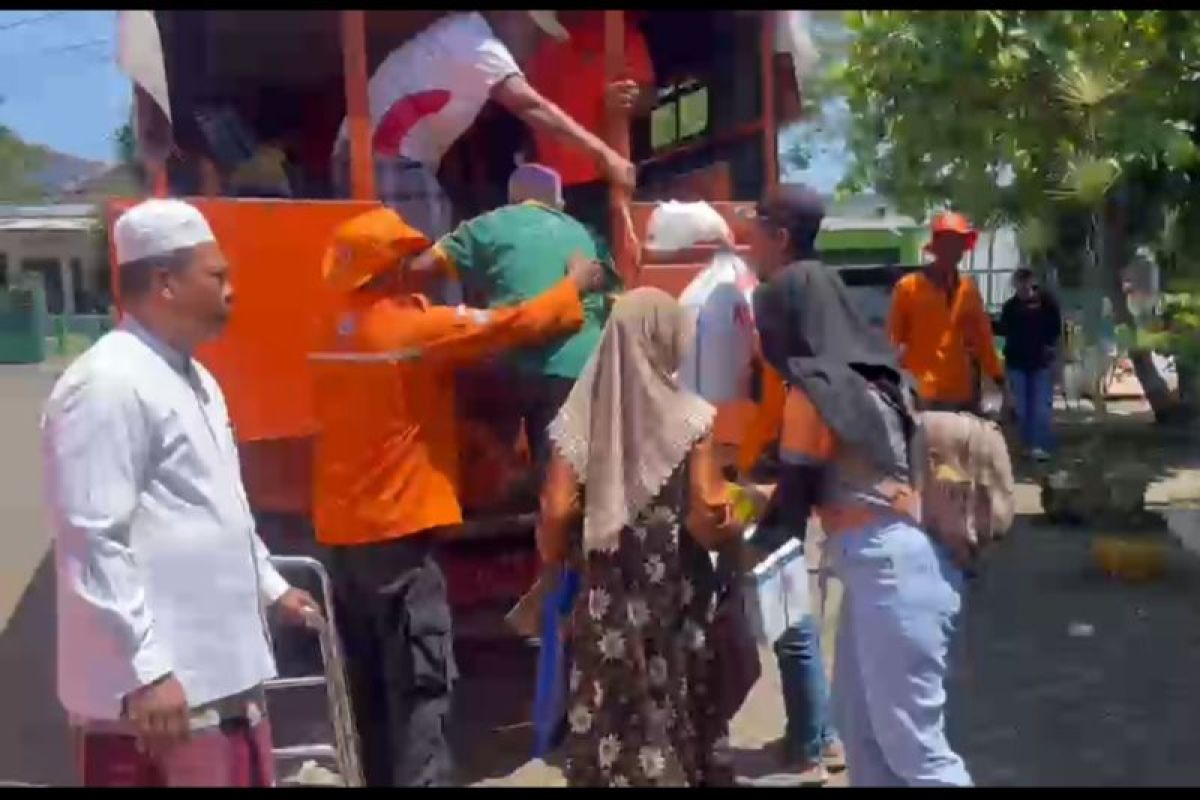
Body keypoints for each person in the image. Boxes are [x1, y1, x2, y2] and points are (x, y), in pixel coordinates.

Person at [307, 206, 606, 787]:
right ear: (389, 271)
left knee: (368, 681)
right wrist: (574, 285)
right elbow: (509, 325)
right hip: (400, 532)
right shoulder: (413, 329)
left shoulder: (329, 326)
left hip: (341, 532)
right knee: (422, 683)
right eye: (407, 260)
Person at [42, 199, 320, 787]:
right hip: (161, 703)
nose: (231, 291)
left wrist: (272, 588)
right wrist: (146, 670)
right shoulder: (106, 384)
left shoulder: (196, 379)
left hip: (220, 680)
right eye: (216, 276)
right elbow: (93, 540)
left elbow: (220, 506)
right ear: (165, 281)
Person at [745, 185, 971, 787]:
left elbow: (788, 511)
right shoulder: (879, 381)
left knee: (917, 754)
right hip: (892, 567)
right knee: (866, 741)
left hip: (890, 573)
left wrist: (725, 515)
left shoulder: (814, 392)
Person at [535, 287, 743, 787]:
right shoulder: (691, 417)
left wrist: (561, 561)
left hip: (607, 592)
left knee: (610, 707)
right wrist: (740, 520)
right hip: (675, 590)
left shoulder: (578, 417)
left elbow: (556, 507)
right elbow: (704, 515)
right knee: (672, 701)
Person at [331, 10, 635, 242]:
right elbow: (531, 107)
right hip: (384, 159)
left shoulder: (462, 35)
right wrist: (605, 156)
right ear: (513, 17)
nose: (537, 46)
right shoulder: (479, 46)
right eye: (535, 33)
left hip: (379, 157)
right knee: (425, 265)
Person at [413, 163, 613, 472]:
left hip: (509, 357)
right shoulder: (584, 233)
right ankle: (549, 501)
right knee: (560, 472)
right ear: (558, 202)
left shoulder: (488, 225)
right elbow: (611, 295)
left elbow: (423, 266)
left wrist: (431, 313)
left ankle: (499, 489)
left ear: (512, 199)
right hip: (574, 363)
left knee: (491, 449)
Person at [736, 354, 845, 787]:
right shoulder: (789, 363)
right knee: (790, 624)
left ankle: (813, 746)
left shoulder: (794, 372)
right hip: (774, 492)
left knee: (791, 627)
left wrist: (761, 485)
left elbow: (794, 447)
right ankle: (815, 734)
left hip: (774, 498)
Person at [525, 10, 656, 244]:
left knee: (600, 265)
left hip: (604, 181)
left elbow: (647, 97)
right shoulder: (536, 42)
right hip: (547, 188)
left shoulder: (623, 35)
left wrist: (632, 98)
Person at [888, 212, 1008, 412]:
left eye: (958, 244)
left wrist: (1001, 381)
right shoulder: (908, 288)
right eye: (949, 243)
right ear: (936, 247)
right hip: (921, 396)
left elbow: (984, 341)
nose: (954, 250)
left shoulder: (968, 290)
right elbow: (892, 341)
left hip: (960, 394)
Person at [998, 267, 1062, 461]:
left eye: (1028, 283)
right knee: (1022, 409)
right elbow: (1003, 329)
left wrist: (1055, 356)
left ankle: (1041, 445)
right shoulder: (1010, 307)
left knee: (1041, 407)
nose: (1025, 288)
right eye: (1020, 284)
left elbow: (1056, 331)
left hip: (1041, 363)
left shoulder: (1046, 304)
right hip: (1017, 363)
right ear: (1015, 285)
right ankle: (1027, 446)